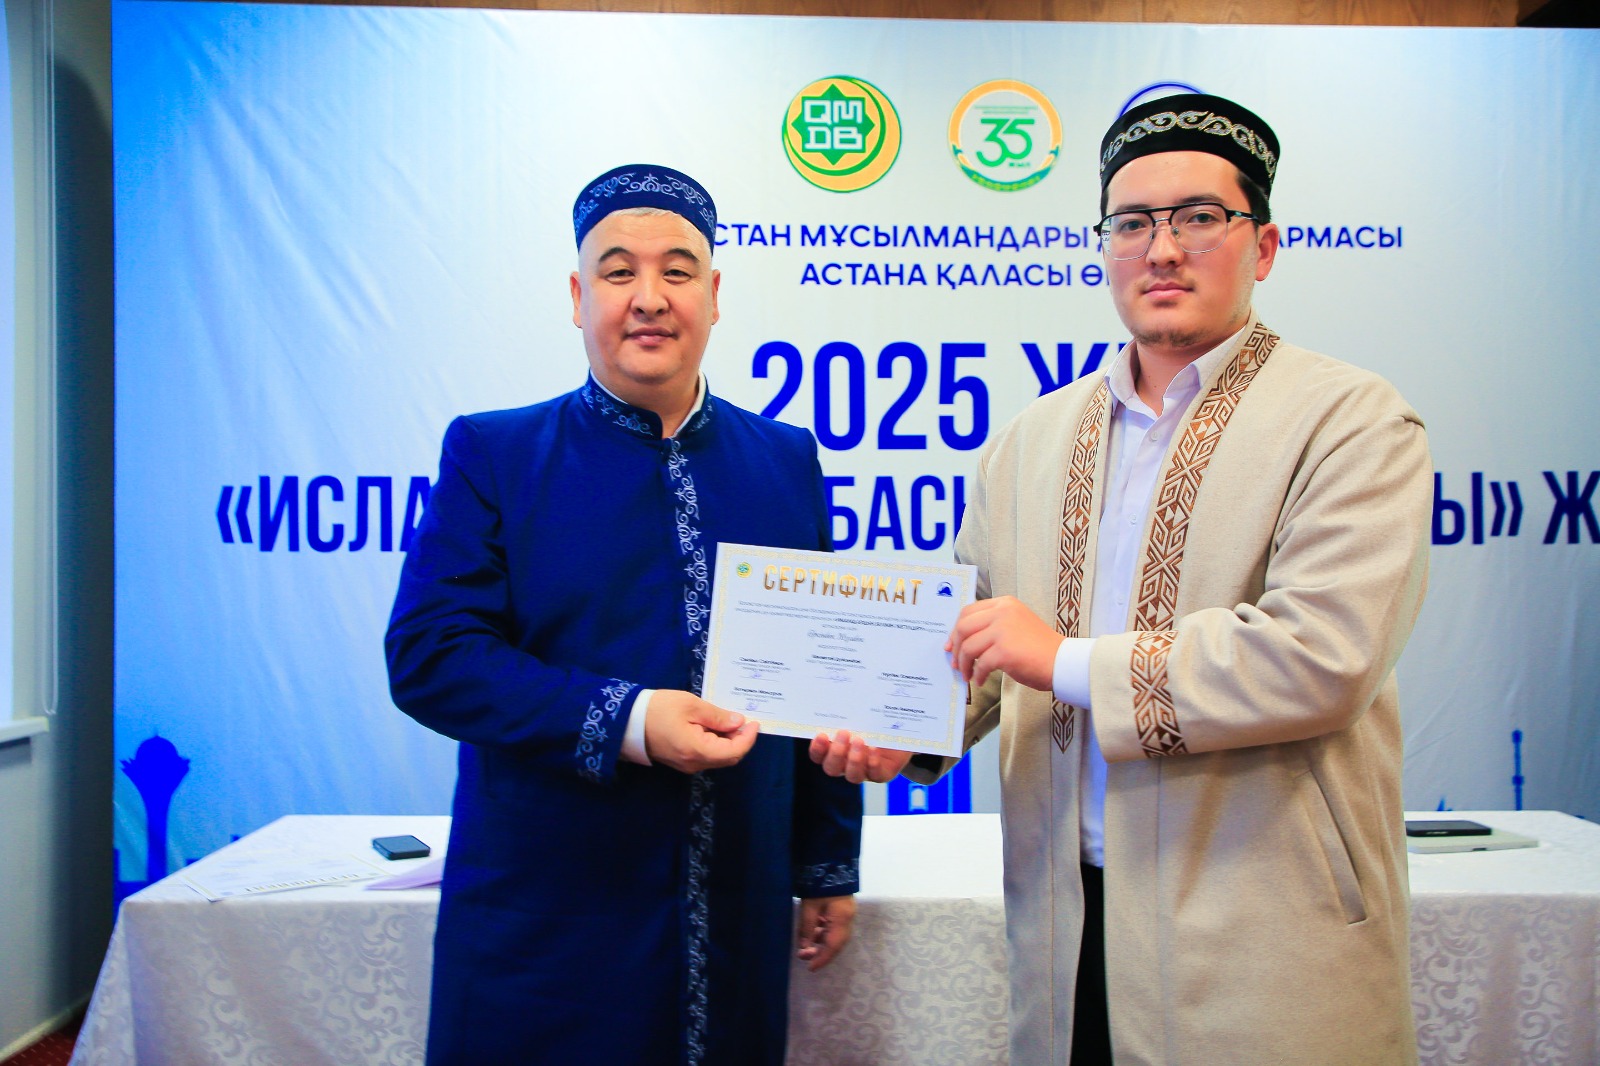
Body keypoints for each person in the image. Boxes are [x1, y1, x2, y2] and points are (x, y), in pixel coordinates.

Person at [812, 94, 1431, 1064]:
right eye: (1132, 223)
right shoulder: (1031, 439)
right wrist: (906, 729)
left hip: (1261, 926)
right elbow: (976, 645)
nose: (1162, 250)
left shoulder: (1350, 422)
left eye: (1199, 218)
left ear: (1265, 246)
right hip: (1064, 918)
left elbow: (1322, 656)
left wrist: (1062, 660)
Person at [387, 163, 862, 1066]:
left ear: (714, 296)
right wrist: (634, 720)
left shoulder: (783, 460)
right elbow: (431, 655)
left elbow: (818, 674)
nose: (649, 298)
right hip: (548, 912)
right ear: (579, 298)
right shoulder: (496, 453)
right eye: (617, 272)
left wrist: (826, 864)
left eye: (678, 271)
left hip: (738, 899)